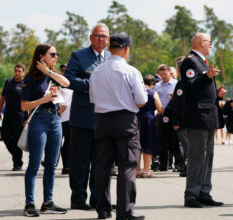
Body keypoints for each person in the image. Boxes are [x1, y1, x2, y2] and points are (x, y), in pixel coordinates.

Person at [90, 33, 146, 220]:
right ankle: (125, 212)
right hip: (125, 121)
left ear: (110, 48)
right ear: (126, 49)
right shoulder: (130, 71)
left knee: (102, 167)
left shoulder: (97, 71)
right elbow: (141, 100)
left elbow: (93, 99)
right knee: (127, 166)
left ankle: (103, 209)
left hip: (103, 121)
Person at [64, 23, 111, 210]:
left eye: (105, 37)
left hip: (105, 118)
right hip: (83, 118)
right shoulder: (79, 56)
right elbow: (68, 80)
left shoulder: (110, 58)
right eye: (98, 36)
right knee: (80, 162)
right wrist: (91, 83)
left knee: (101, 162)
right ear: (91, 37)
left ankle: (98, 198)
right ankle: (78, 198)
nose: (102, 39)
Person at [21, 43, 70, 217]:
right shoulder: (30, 79)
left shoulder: (52, 76)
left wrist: (48, 71)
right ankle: (29, 204)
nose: (56, 57)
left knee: (51, 164)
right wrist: (43, 100)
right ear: (41, 57)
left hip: (55, 120)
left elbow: (66, 82)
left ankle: (48, 202)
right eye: (53, 54)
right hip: (39, 120)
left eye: (56, 54)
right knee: (34, 164)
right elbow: (24, 105)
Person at [181, 32, 225, 208]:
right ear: (201, 42)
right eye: (209, 42)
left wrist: (216, 93)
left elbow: (202, 87)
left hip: (208, 114)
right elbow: (190, 87)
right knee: (197, 156)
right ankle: (191, 194)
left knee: (208, 157)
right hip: (198, 116)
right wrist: (206, 77)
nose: (211, 46)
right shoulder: (190, 61)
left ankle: (204, 192)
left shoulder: (202, 61)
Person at [0, 64, 27, 171]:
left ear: (23, 72)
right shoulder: (8, 82)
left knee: (16, 141)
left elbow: (29, 101)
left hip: (20, 116)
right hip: (8, 115)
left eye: (19, 71)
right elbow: (2, 98)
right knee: (5, 136)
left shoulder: (26, 83)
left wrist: (27, 119)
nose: (17, 73)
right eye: (16, 71)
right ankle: (16, 157)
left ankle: (17, 163)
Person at [136, 74, 162, 178]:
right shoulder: (153, 92)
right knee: (148, 145)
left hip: (137, 119)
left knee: (137, 145)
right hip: (149, 119)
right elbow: (160, 108)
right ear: (152, 84)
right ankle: (146, 171)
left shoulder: (138, 92)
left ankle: (136, 170)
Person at [154, 64, 177, 171]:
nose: (163, 76)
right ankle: (164, 165)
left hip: (173, 115)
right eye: (161, 74)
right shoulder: (157, 85)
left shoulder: (176, 84)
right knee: (162, 141)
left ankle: (179, 165)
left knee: (176, 141)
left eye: (165, 74)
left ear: (170, 74)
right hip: (160, 115)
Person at [172, 56, 189, 177]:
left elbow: (180, 104)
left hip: (184, 122)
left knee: (187, 146)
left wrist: (176, 121)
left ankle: (190, 168)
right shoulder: (185, 81)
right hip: (187, 120)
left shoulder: (183, 83)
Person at [58, 64, 73, 175]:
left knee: (68, 143)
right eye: (62, 70)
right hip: (61, 119)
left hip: (71, 119)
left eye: (66, 70)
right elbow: (62, 105)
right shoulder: (58, 85)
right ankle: (61, 163)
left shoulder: (74, 84)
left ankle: (67, 166)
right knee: (60, 143)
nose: (64, 72)